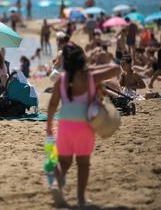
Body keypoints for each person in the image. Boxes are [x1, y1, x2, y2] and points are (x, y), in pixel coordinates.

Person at [46, 42, 120, 207]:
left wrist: (49, 125)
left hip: (65, 124)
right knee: (83, 163)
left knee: (64, 162)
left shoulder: (61, 80)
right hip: (84, 125)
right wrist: (92, 67)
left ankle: (58, 185)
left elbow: (52, 104)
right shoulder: (91, 77)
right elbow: (115, 68)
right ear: (82, 60)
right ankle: (80, 199)